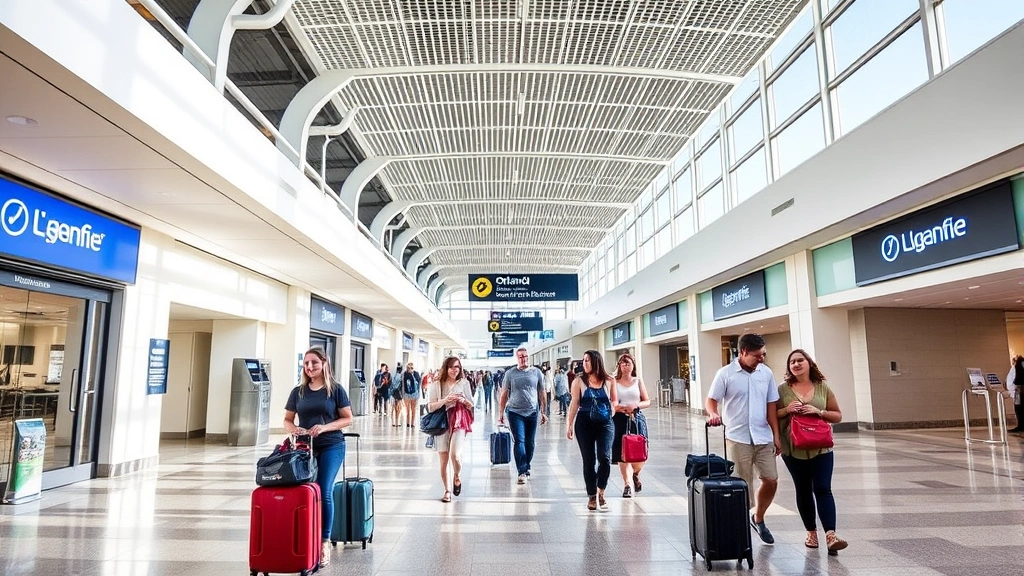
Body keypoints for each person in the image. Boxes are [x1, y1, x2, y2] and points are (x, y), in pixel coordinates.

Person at [705, 333, 781, 545]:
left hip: (763, 436)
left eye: (764, 354)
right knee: (741, 485)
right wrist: (713, 413)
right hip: (737, 437)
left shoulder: (766, 374)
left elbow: (771, 406)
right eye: (758, 355)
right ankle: (738, 528)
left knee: (771, 479)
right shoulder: (726, 374)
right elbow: (711, 400)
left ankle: (758, 518)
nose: (762, 359)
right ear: (744, 352)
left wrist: (776, 435)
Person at [283, 347, 353, 568]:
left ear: (324, 363)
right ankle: (308, 536)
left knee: (324, 489)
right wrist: (294, 429)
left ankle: (324, 542)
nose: (310, 367)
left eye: (314, 362)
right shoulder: (298, 392)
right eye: (306, 364)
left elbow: (347, 419)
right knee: (306, 491)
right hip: (305, 448)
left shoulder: (336, 389)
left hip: (332, 445)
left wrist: (324, 428)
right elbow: (287, 419)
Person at [777, 349, 848, 554]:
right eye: (792, 362)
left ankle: (831, 535)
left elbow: (838, 415)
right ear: (789, 367)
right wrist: (786, 410)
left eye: (800, 360)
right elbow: (772, 415)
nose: (796, 364)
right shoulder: (782, 389)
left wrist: (819, 412)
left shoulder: (822, 387)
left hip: (822, 448)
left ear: (809, 363)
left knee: (824, 488)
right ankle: (811, 532)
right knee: (803, 490)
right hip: (793, 449)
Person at [566, 349, 617, 512]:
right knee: (589, 461)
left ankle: (601, 490)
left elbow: (614, 400)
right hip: (584, 423)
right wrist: (569, 424)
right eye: (583, 360)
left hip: (605, 423)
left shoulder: (609, 380)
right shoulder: (579, 381)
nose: (584, 363)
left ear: (596, 361)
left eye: (587, 360)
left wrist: (611, 410)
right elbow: (574, 403)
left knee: (605, 457)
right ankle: (591, 496)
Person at [426, 356, 474, 502]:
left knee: (455, 455)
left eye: (457, 367)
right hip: (441, 422)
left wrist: (463, 400)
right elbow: (430, 406)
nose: (455, 370)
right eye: (452, 367)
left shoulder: (464, 383)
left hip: (459, 420)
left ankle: (457, 476)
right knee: (444, 460)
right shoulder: (436, 385)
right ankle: (447, 490)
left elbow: (471, 404)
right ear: (446, 368)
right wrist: (445, 400)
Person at [499, 347, 547, 484]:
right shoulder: (510, 374)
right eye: (521, 356)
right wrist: (500, 413)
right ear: (517, 358)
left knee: (530, 442)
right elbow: (503, 394)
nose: (524, 358)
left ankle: (526, 465)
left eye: (525, 356)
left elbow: (542, 392)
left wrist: (544, 411)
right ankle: (521, 471)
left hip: (532, 411)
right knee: (519, 441)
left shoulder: (536, 373)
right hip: (514, 412)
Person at [611, 353, 650, 498]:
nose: (625, 366)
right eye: (623, 363)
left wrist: (636, 405)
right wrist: (619, 407)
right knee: (623, 455)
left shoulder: (638, 381)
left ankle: (635, 473)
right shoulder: (614, 382)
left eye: (628, 363)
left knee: (640, 454)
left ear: (633, 365)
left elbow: (647, 401)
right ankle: (627, 484)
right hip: (620, 419)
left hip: (636, 419)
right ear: (619, 366)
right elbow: (612, 402)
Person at [1007, 355, 1024, 433]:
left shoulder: (1016, 367)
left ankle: (1021, 426)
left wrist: (1011, 392)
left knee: (1019, 409)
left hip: (1019, 390)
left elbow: (1010, 381)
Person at [401, 362, 421, 428]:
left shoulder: (416, 374)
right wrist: (403, 395)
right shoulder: (404, 374)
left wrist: (418, 395)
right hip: (406, 394)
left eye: (411, 368)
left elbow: (418, 385)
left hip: (414, 394)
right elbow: (403, 385)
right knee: (407, 409)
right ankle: (407, 423)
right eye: (408, 368)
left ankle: (413, 423)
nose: (410, 369)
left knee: (413, 409)